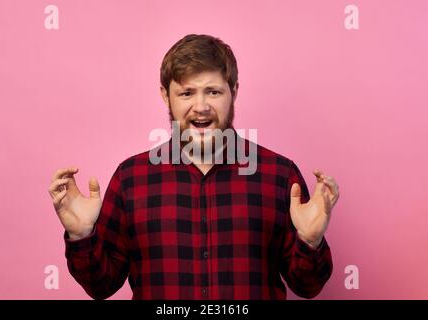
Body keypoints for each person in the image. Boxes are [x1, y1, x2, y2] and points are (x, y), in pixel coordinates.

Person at [48, 34, 339, 300]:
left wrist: (310, 241)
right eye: (187, 93)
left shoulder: (279, 176)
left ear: (233, 91)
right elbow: (101, 287)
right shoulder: (130, 179)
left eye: (213, 92)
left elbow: (307, 286)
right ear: (166, 95)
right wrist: (81, 236)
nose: (201, 106)